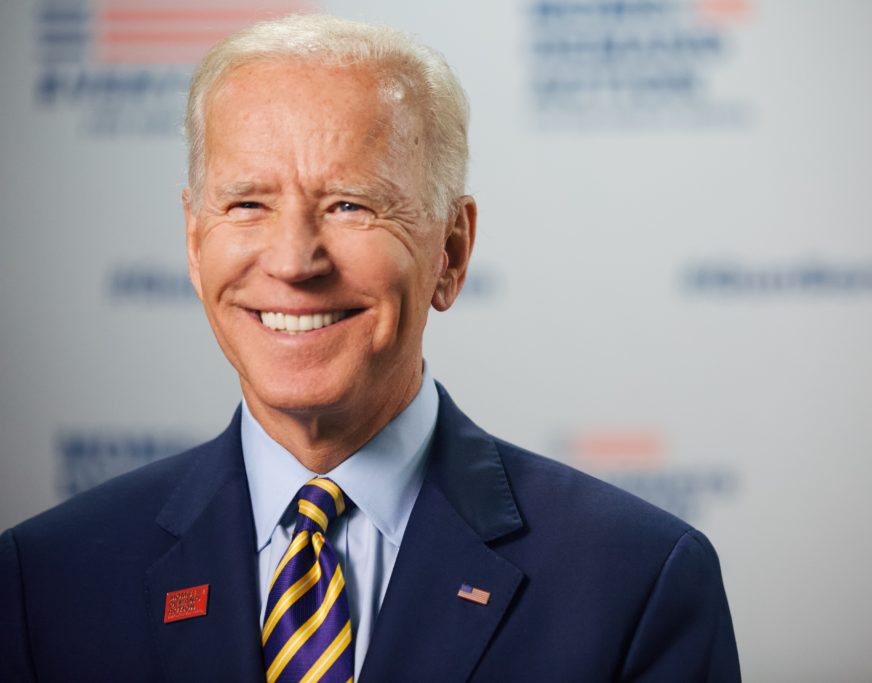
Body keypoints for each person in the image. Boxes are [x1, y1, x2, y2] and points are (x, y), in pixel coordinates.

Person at [0, 14, 739, 682]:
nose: (294, 261)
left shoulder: (635, 582)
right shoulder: (45, 580)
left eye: (350, 205)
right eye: (248, 204)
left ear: (451, 252)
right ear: (195, 245)